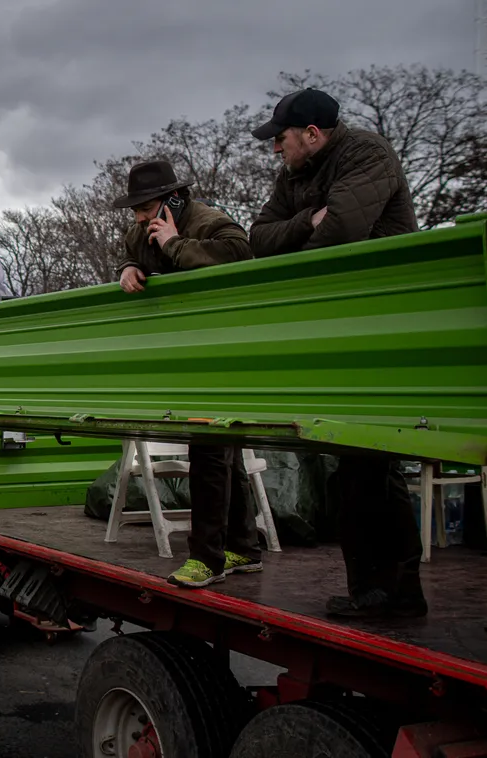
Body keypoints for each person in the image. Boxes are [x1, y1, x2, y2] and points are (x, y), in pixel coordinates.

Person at [248, 87, 425, 618]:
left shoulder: (366, 152)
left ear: (311, 133)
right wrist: (308, 220)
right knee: (360, 463)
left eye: (280, 138)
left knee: (368, 463)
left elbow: (343, 231)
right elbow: (260, 238)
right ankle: (389, 591)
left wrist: (305, 242)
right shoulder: (295, 176)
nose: (274, 149)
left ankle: (383, 592)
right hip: (344, 325)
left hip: (384, 318)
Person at [112, 160, 261, 588]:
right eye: (135, 210)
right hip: (190, 352)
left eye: (146, 208)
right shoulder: (139, 232)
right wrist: (127, 269)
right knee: (225, 448)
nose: (139, 218)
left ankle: (207, 559)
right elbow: (132, 256)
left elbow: (241, 256)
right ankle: (244, 548)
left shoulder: (211, 222)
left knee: (209, 449)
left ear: (173, 200)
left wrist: (175, 243)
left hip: (226, 347)